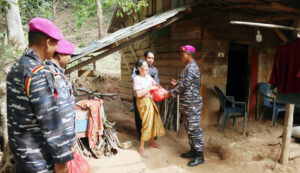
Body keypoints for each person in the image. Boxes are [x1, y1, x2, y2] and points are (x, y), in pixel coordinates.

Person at [6, 18, 73, 173]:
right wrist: (62, 159)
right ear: (47, 42)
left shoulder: (17, 67)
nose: (56, 49)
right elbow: (50, 121)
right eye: (55, 44)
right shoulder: (37, 73)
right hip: (38, 159)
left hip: (23, 155)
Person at [165, 45, 205, 166]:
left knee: (194, 129)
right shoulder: (188, 67)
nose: (181, 57)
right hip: (187, 104)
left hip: (192, 104)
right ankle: (193, 150)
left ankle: (200, 155)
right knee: (189, 129)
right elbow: (186, 84)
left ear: (190, 55)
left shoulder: (192, 67)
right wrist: (177, 83)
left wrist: (171, 93)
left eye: (183, 55)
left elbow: (185, 85)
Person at [45, 39, 77, 149]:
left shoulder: (56, 73)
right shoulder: (51, 74)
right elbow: (63, 110)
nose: (70, 59)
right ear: (60, 55)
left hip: (60, 135)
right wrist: (71, 140)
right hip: (59, 138)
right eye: (69, 56)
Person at [133, 59, 165, 157]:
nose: (147, 68)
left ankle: (151, 143)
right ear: (139, 68)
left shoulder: (148, 77)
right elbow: (138, 94)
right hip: (143, 103)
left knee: (154, 121)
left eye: (147, 66)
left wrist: (163, 90)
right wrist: (149, 89)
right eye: (145, 66)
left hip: (150, 101)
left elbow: (156, 84)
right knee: (147, 123)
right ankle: (141, 148)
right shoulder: (136, 79)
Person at [131, 50, 159, 139]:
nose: (150, 60)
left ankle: (151, 134)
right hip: (139, 96)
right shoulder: (137, 68)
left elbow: (156, 82)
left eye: (152, 58)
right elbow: (134, 79)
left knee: (150, 116)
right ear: (145, 58)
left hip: (150, 97)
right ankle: (141, 134)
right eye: (149, 58)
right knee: (139, 116)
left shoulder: (154, 70)